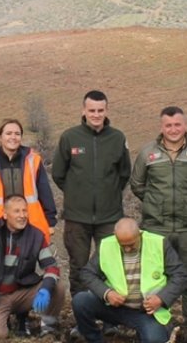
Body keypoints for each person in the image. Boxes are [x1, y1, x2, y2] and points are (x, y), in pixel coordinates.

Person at [129, 106, 187, 343]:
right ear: (161, 127)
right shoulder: (148, 154)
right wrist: (156, 205)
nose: (173, 129)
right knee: (155, 278)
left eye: (178, 125)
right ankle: (156, 325)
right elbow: (138, 185)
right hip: (157, 227)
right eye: (168, 125)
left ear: (184, 125)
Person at [51, 90, 131, 300]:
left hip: (109, 217)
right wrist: (77, 194)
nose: (96, 115)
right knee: (79, 267)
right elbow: (59, 174)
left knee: (108, 266)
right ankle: (81, 317)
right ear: (83, 110)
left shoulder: (117, 138)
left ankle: (108, 318)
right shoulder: (70, 137)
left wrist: (108, 194)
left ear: (106, 111)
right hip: (77, 218)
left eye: (100, 110)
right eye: (92, 110)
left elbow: (124, 174)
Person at [73, 218, 187, 343]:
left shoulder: (159, 243)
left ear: (140, 234)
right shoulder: (106, 245)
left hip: (146, 311)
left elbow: (180, 275)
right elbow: (87, 273)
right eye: (122, 245)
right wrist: (107, 293)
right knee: (81, 301)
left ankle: (145, 334)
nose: (127, 249)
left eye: (131, 245)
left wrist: (161, 299)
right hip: (113, 307)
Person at [0, 195, 64, 341]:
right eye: (17, 211)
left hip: (22, 293)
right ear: (5, 214)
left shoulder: (36, 235)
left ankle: (48, 328)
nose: (22, 216)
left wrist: (46, 288)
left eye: (25, 211)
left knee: (57, 286)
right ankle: (3, 320)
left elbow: (51, 266)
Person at [0, 119, 57, 239]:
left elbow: (45, 192)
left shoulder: (33, 159)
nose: (13, 137)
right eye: (8, 133)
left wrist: (50, 221)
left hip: (29, 223)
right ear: (0, 137)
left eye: (17, 134)